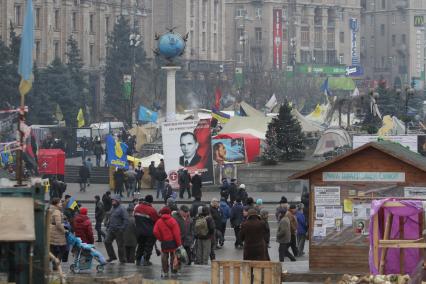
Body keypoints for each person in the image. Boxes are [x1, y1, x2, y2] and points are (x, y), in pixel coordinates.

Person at [153, 207, 182, 278]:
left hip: (164, 242)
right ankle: (174, 272)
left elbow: (155, 232)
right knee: (174, 257)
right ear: (169, 213)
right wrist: (179, 244)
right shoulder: (173, 221)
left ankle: (165, 272)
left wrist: (161, 238)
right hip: (173, 242)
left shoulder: (159, 221)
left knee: (164, 257)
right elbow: (177, 234)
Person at [134, 195, 159, 266]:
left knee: (140, 246)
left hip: (139, 231)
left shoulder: (137, 208)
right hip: (149, 232)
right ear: (151, 202)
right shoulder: (152, 210)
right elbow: (156, 220)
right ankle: (146, 261)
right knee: (148, 247)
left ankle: (138, 260)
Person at [104, 195, 128, 263]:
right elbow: (111, 216)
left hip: (118, 230)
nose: (112, 201)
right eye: (112, 200)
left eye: (114, 200)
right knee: (106, 241)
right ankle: (112, 256)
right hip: (111, 229)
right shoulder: (113, 208)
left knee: (120, 246)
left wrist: (122, 229)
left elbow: (126, 220)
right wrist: (107, 224)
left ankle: (122, 260)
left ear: (118, 201)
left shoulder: (122, 209)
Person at [49, 198, 67, 270]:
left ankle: (54, 264)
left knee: (53, 248)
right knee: (63, 248)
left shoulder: (51, 209)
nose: (61, 204)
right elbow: (58, 224)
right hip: (57, 233)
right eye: (60, 203)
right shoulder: (56, 212)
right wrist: (64, 231)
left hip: (51, 231)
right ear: (56, 204)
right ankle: (56, 263)